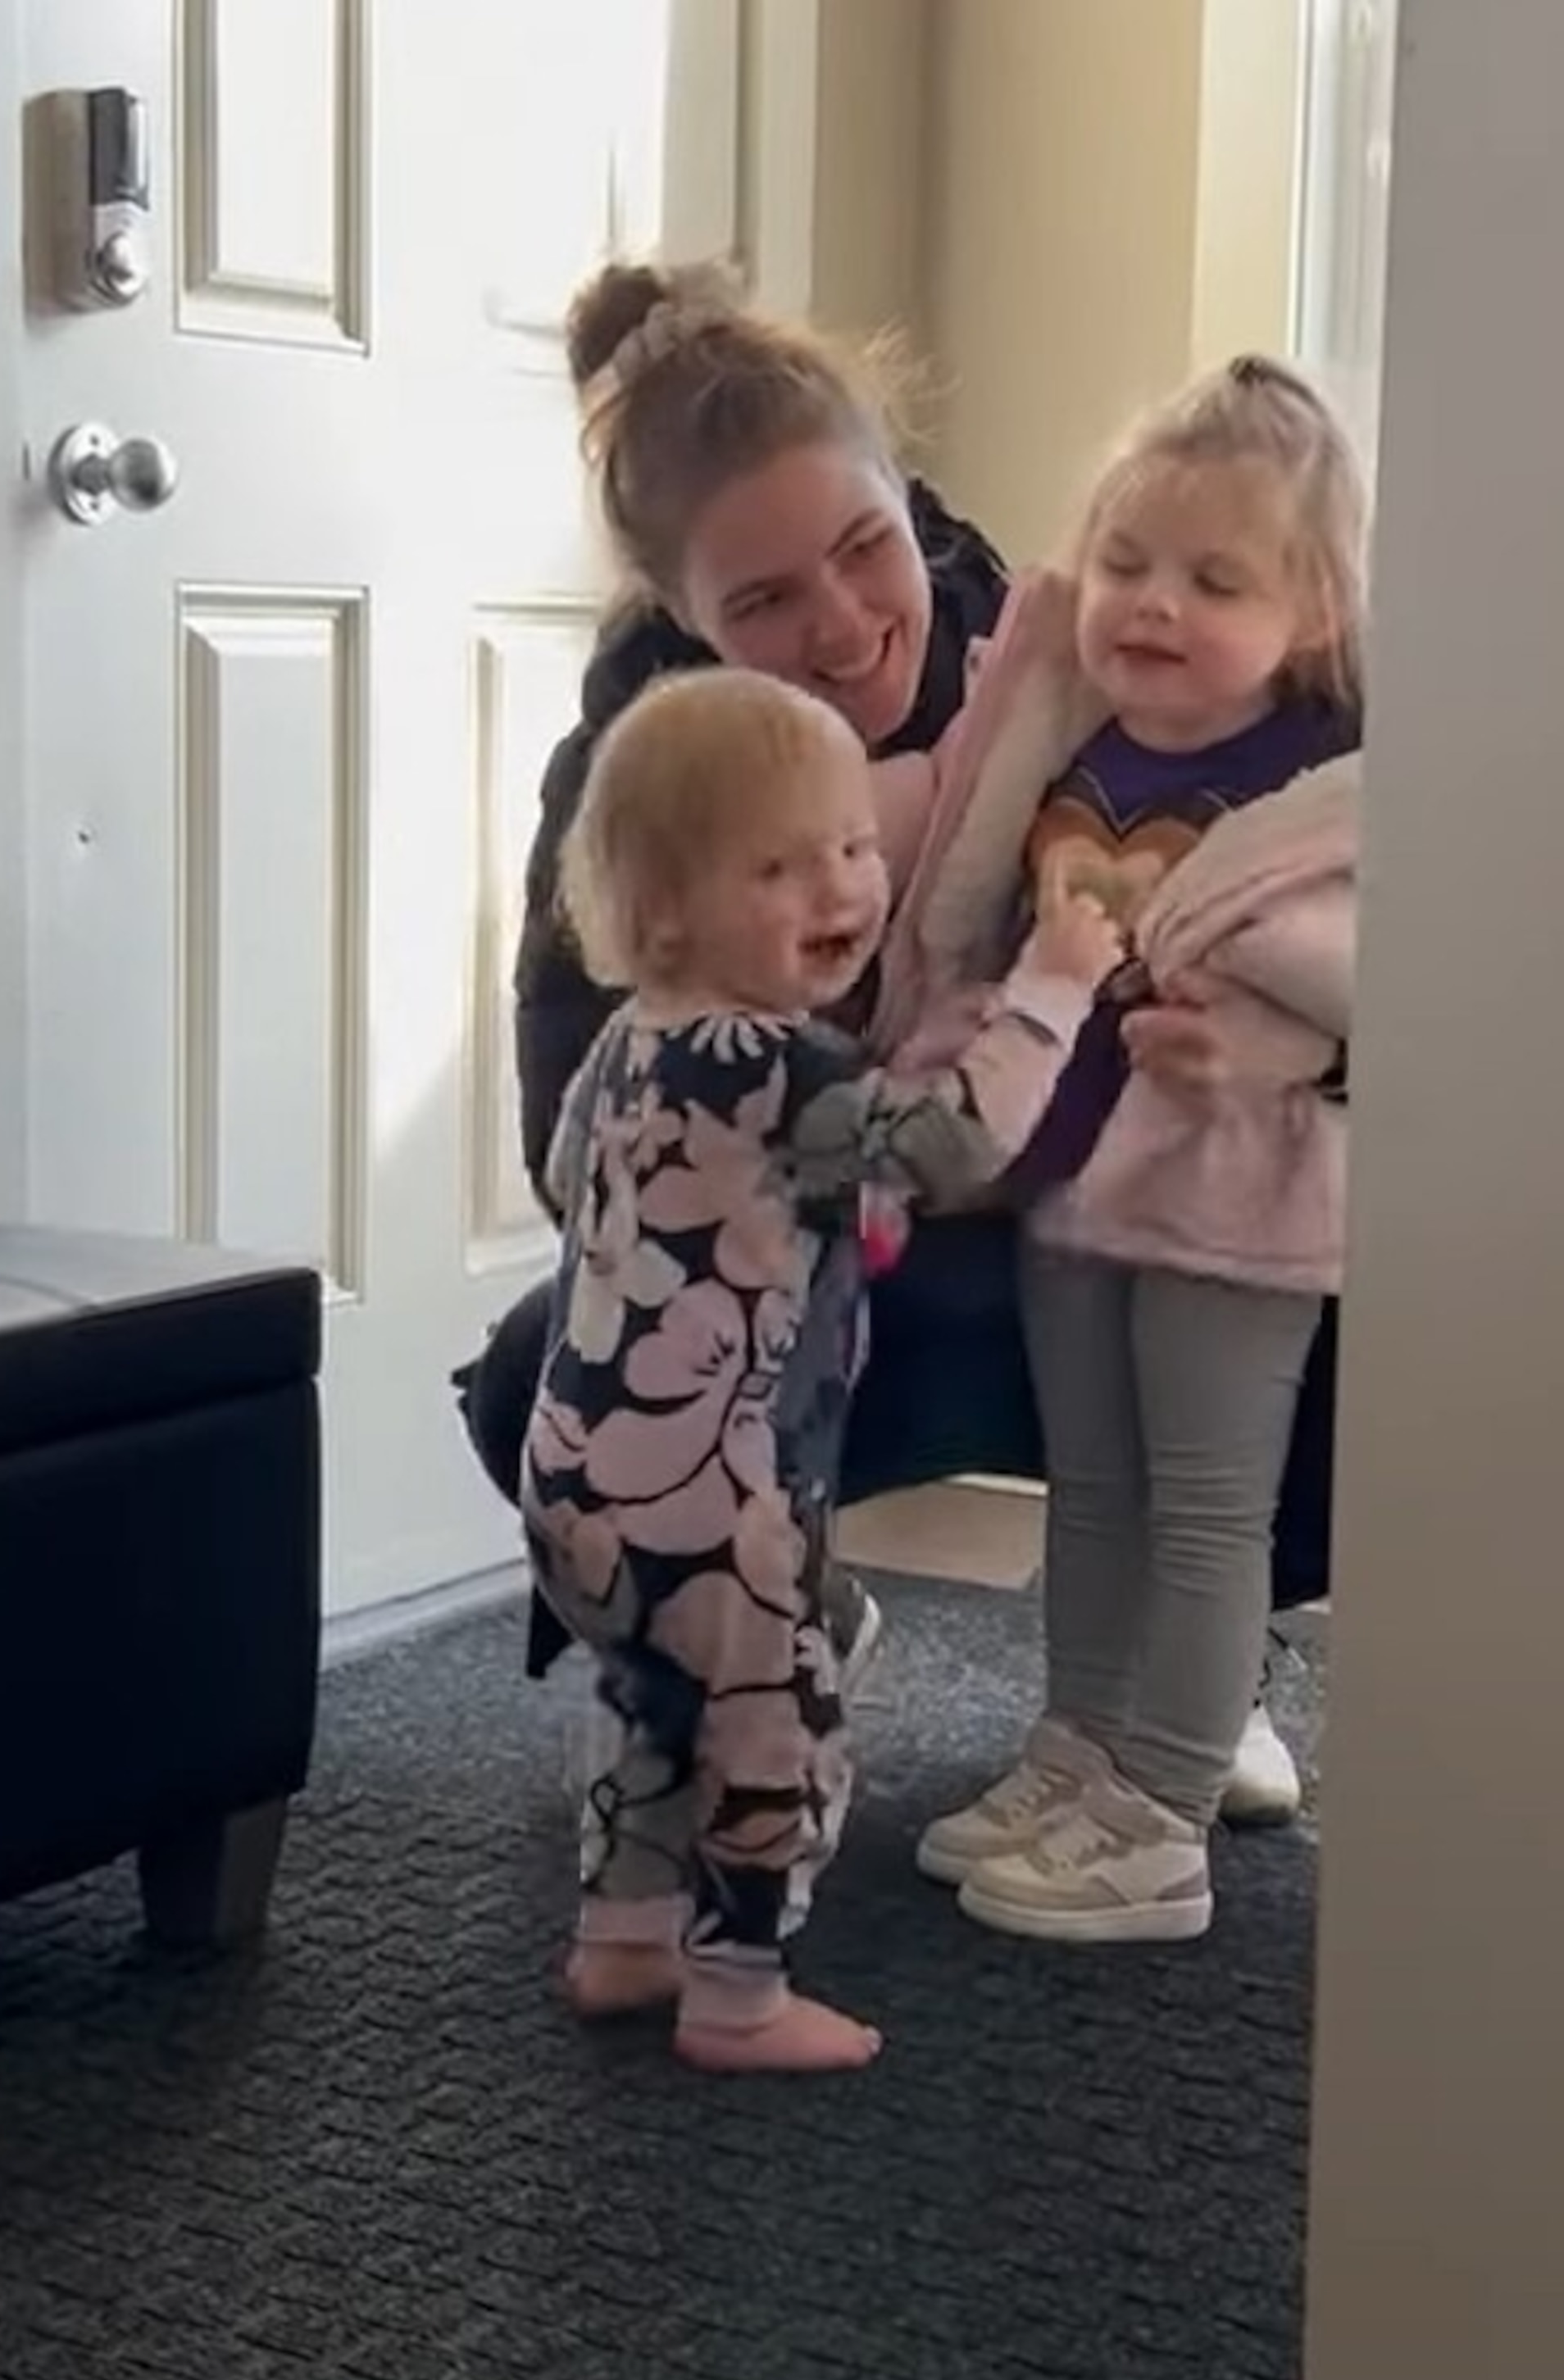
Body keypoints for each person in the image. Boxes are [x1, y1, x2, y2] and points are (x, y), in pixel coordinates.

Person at [452, 259, 1338, 1813]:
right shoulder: (642, 779)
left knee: (1298, 1279)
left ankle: (1204, 1653)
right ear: (683, 614)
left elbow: (1362, 921)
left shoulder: (1068, 665)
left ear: (912, 512)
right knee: (549, 1369)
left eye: (868, 552)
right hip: (859, 1235)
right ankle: (765, 1601)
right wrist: (806, 1110)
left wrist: (1306, 1057)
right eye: (767, 600)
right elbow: (571, 1142)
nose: (847, 626)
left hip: (1134, 1195)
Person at [526, 664, 1117, 2070]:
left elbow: (577, 1181)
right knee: (774, 1724)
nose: (843, 887)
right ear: (665, 909)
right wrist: (1053, 989)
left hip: (576, 1476)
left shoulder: (625, 1045)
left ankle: (623, 1940)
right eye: (781, 866)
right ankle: (738, 1994)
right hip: (715, 1490)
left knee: (649, 1700)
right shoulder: (787, 1066)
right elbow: (957, 1142)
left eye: (855, 847)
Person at [908, 357, 1368, 1941]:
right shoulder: (1080, 754)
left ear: (1307, 614)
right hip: (1082, 1189)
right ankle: (1082, 1746)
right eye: (1125, 564)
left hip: (1240, 1203)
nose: (1152, 603)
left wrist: (1259, 1026)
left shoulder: (1321, 789)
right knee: (1091, 1493)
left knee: (1204, 1507)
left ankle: (1165, 1805)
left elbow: (1376, 978)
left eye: (1213, 578)